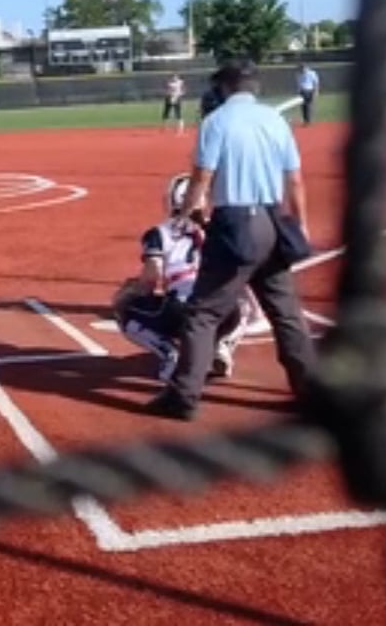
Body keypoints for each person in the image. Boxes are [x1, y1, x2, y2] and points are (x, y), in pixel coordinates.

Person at [146, 59, 317, 421]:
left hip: (235, 224)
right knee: (285, 312)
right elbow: (295, 180)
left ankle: (183, 396)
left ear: (225, 87)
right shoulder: (275, 120)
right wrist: (301, 224)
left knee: (203, 313)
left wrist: (186, 214)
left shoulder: (217, 121)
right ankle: (310, 392)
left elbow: (202, 178)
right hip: (273, 221)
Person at [113, 173, 263, 385]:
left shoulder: (159, 232)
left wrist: (131, 292)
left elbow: (151, 278)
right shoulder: (220, 229)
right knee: (240, 301)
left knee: (126, 308)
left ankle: (170, 354)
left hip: (180, 308)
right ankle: (222, 347)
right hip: (219, 307)